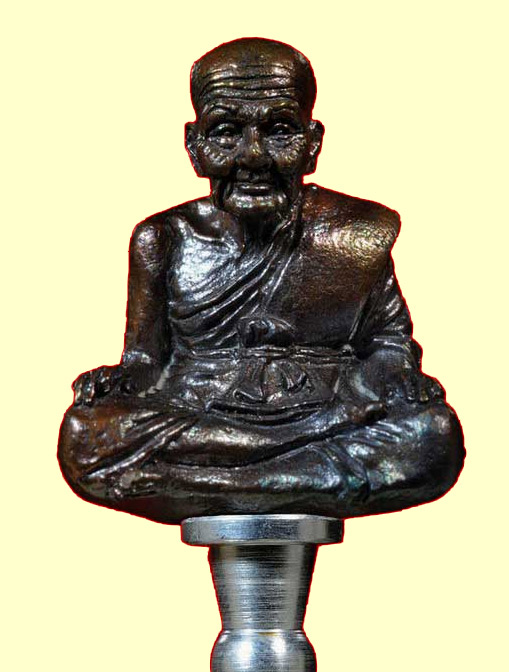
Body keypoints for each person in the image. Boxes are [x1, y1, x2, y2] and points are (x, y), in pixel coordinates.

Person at [58, 37, 465, 523]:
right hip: (206, 409)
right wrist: (120, 380)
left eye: (279, 131)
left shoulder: (357, 233)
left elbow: (387, 343)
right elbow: (147, 361)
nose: (253, 155)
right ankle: (299, 472)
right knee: (85, 433)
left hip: (328, 402)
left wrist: (397, 380)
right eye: (227, 132)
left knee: (432, 434)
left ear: (313, 144)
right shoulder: (164, 238)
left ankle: (212, 484)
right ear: (194, 146)